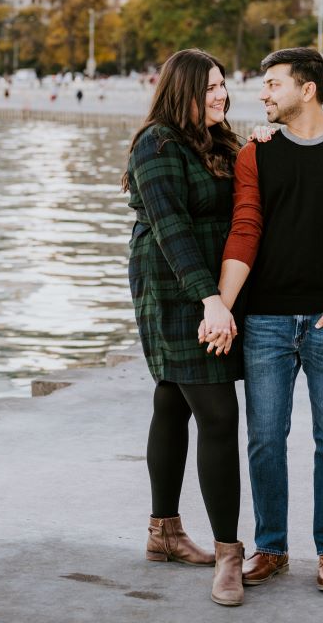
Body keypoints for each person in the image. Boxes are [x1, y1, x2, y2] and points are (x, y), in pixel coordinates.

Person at [205, 47, 323, 595]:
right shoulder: (255, 155)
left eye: (272, 84)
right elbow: (245, 230)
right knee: (265, 439)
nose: (262, 93)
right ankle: (271, 548)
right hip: (265, 321)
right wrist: (221, 305)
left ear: (307, 89)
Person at [124, 48, 246, 607]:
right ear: (183, 93)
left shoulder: (221, 141)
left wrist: (261, 150)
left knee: (172, 399)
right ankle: (228, 553)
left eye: (223, 85)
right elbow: (170, 226)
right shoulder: (158, 143)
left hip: (212, 291)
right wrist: (210, 301)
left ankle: (164, 533)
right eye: (208, 89)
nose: (219, 96)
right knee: (217, 414)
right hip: (175, 289)